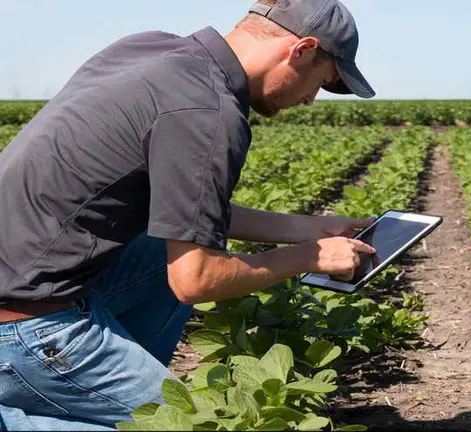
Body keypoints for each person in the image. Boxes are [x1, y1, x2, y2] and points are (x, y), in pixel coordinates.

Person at [0, 0, 376, 429]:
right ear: (302, 50)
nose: (310, 100)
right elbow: (197, 280)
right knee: (200, 424)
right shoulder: (210, 112)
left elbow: (186, 212)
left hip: (23, 285)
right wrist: (309, 257)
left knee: (160, 249)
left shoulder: (149, 51)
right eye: (320, 83)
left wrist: (308, 228)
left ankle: (102, 394)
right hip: (27, 328)